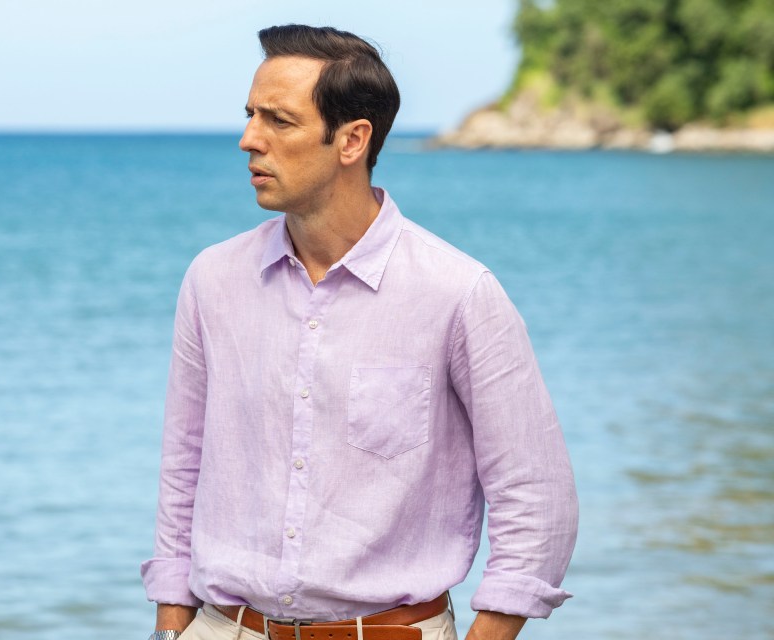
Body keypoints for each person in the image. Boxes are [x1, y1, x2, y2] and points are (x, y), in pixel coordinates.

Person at [141, 24, 578, 640]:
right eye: (249, 115)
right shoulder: (212, 280)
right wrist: (171, 627)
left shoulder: (458, 293)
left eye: (279, 120)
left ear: (352, 139)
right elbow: (183, 467)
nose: (248, 140)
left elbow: (537, 496)